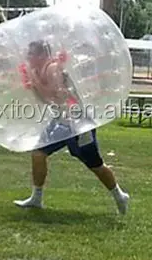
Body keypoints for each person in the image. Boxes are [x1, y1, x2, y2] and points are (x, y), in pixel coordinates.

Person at [13, 40, 129, 214]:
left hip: (78, 122)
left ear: (41, 56)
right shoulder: (39, 71)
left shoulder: (53, 69)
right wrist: (32, 86)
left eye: (31, 54)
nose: (27, 58)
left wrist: (35, 81)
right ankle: (36, 198)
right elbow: (47, 101)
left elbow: (58, 96)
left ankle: (119, 195)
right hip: (62, 119)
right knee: (38, 152)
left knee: (94, 164)